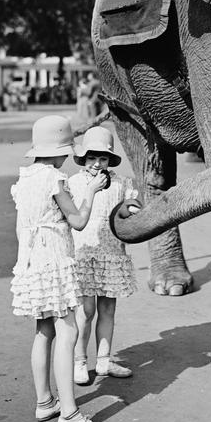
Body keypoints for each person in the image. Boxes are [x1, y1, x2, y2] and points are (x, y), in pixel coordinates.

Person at [10, 116, 109, 422]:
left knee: (43, 331)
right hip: (54, 263)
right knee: (67, 333)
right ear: (60, 151)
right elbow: (78, 221)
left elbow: (20, 228)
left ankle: (44, 402)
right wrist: (92, 190)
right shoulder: (56, 179)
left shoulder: (24, 179)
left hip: (31, 263)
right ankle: (70, 413)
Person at [69, 127, 140, 384]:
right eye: (91, 158)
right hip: (84, 254)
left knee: (107, 309)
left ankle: (103, 361)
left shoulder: (122, 183)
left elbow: (130, 206)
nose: (97, 164)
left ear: (110, 160)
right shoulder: (74, 183)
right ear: (84, 159)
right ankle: (79, 362)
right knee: (85, 311)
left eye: (103, 158)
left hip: (112, 254)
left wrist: (132, 208)